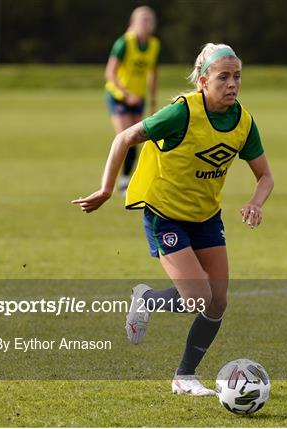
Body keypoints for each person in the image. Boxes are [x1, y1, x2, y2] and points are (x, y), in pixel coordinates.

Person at [73, 43, 274, 396]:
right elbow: (124, 137)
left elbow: (265, 176)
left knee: (218, 301)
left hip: (206, 218)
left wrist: (256, 203)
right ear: (202, 80)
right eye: (223, 77)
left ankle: (185, 376)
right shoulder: (181, 113)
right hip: (166, 216)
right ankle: (146, 299)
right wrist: (106, 190)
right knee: (197, 297)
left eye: (237, 76)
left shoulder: (243, 121)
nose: (232, 84)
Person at [104, 5, 160, 194]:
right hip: (118, 96)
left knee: (138, 139)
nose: (146, 24)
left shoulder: (153, 45)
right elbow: (110, 73)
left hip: (138, 98)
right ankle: (119, 183)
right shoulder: (124, 43)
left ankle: (126, 180)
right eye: (142, 20)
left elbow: (153, 72)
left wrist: (152, 99)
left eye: (149, 20)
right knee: (125, 137)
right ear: (133, 23)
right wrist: (126, 94)